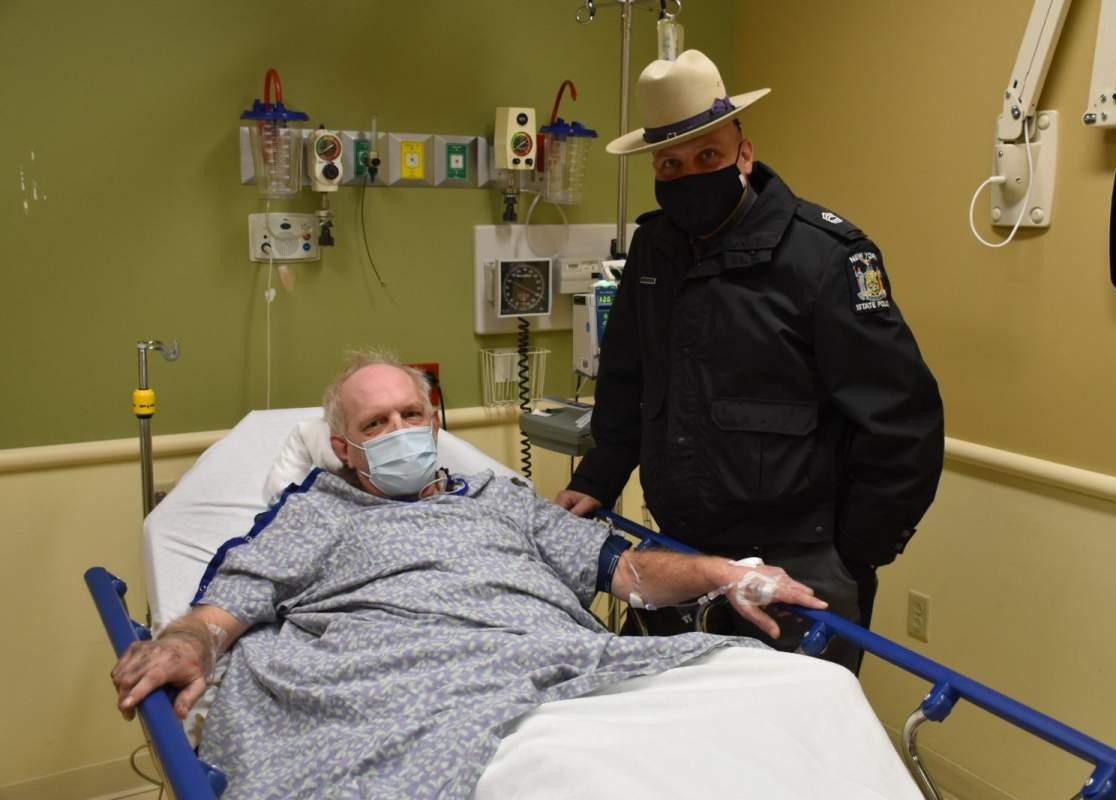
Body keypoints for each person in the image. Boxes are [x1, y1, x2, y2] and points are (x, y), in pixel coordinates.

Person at [110, 351, 829, 799]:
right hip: (404, 680)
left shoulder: (499, 497)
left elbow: (623, 568)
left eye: (411, 414)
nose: (399, 431)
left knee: (805, 686)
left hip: (560, 663)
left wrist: (722, 571)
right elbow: (229, 603)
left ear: (434, 419)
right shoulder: (315, 512)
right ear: (343, 448)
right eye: (376, 425)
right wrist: (188, 644)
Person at [555, 50, 945, 672]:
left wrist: (854, 552)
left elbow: (903, 420)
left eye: (707, 156)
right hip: (680, 549)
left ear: (743, 152)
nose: (689, 175)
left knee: (783, 749)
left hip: (799, 557)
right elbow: (628, 380)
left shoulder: (822, 256)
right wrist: (597, 478)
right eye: (671, 164)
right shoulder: (654, 250)